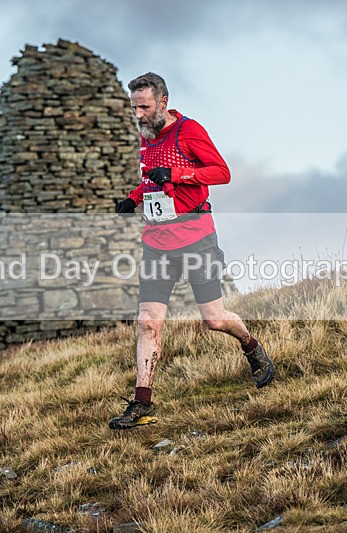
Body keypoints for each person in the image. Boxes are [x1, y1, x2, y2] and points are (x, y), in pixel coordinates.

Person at [108, 72, 275, 430]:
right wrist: (133, 199)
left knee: (213, 319)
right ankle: (141, 404)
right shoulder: (145, 135)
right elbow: (152, 178)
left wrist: (179, 174)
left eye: (144, 107)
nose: (138, 114)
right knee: (148, 323)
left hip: (196, 237)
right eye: (134, 107)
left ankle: (251, 346)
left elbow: (221, 172)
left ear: (163, 102)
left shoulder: (189, 131)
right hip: (157, 243)